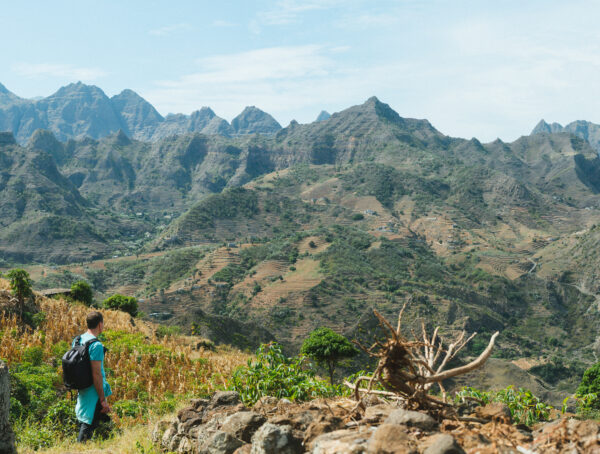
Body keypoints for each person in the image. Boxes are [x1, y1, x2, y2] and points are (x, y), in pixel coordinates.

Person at [74, 311, 112, 442]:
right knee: (89, 423)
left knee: (84, 418)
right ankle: (79, 448)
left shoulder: (78, 340)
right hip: (93, 390)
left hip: (82, 387)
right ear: (100, 325)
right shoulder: (96, 345)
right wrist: (102, 399)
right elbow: (96, 374)